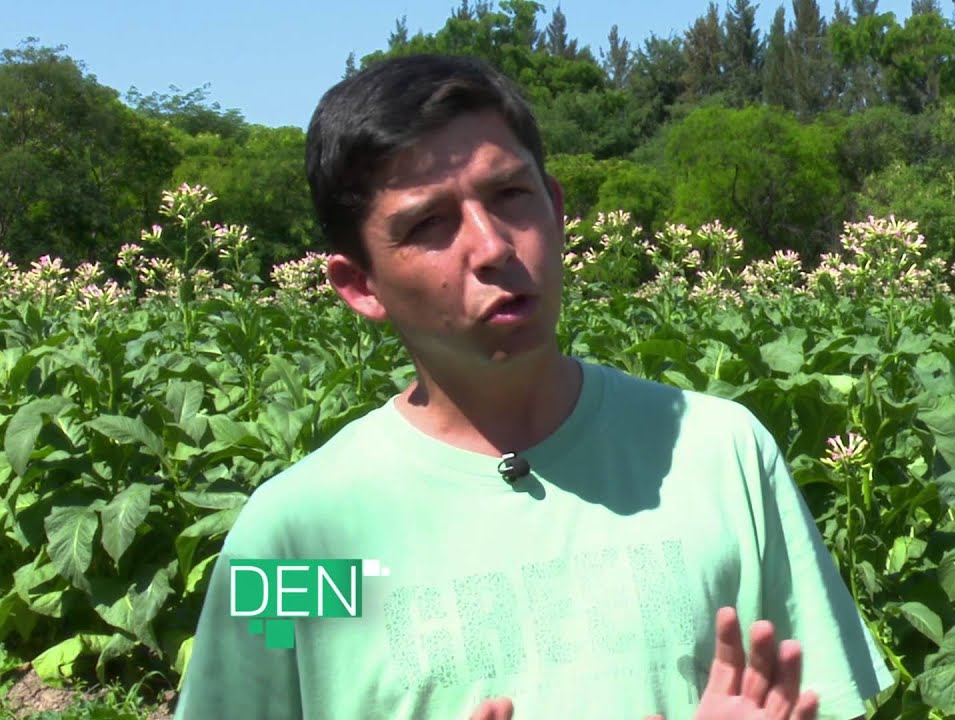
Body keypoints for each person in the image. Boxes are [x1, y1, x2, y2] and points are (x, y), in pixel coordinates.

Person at [173, 54, 894, 720]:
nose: (491, 247)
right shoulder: (295, 543)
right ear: (360, 285)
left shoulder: (722, 456)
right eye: (428, 223)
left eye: (511, 195)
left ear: (554, 205)